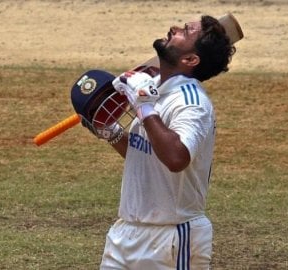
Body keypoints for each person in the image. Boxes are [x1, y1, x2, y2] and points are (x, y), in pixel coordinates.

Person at [85, 15, 236, 269]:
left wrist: (143, 106)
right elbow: (145, 151)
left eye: (186, 31)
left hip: (172, 240)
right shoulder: (152, 89)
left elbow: (176, 158)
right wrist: (109, 131)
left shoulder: (192, 103)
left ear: (190, 60)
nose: (175, 28)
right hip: (125, 233)